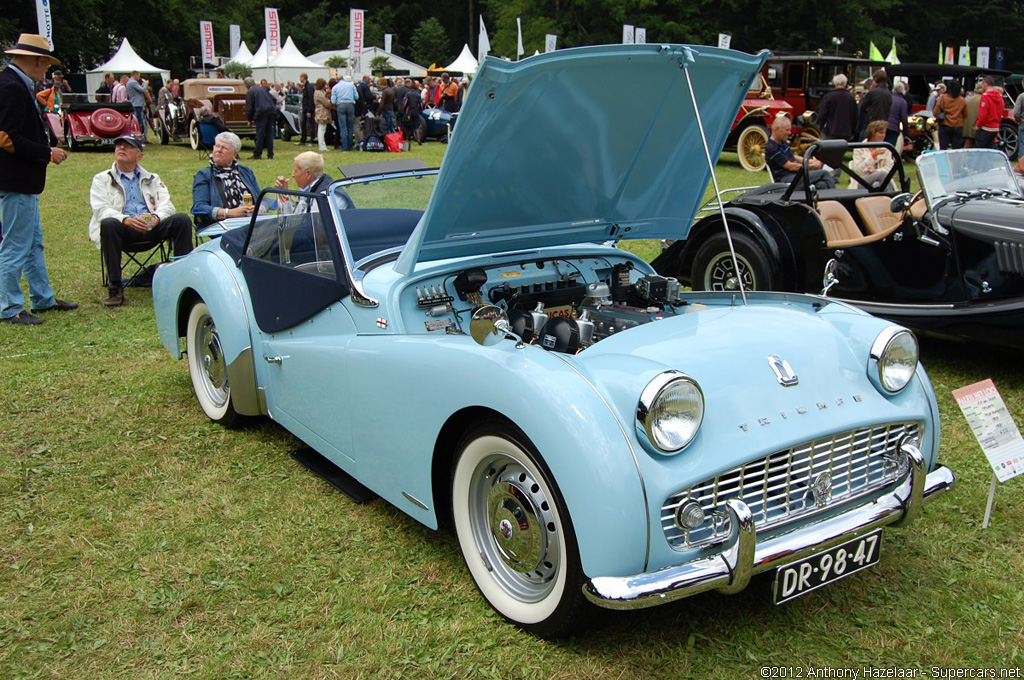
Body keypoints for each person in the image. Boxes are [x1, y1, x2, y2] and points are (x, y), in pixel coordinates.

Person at [0, 33, 76, 325]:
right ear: (36, 60)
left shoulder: (16, 83)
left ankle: (42, 298)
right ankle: (9, 307)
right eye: (45, 64)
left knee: (32, 242)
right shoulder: (10, 87)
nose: (47, 70)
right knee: (16, 244)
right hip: (16, 179)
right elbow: (6, 137)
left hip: (23, 181)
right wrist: (46, 152)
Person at [89, 136, 193, 307]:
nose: (121, 148)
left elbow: (167, 205)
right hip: (122, 230)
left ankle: (184, 281)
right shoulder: (102, 179)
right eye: (119, 145)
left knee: (181, 219)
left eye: (128, 146)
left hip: (151, 227)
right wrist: (125, 220)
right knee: (108, 222)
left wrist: (157, 218)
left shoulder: (152, 178)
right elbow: (100, 209)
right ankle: (115, 286)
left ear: (139, 156)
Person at [190, 131, 260, 228]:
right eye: (217, 146)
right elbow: (199, 207)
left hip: (251, 221)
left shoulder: (246, 171)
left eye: (224, 148)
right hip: (223, 224)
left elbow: (261, 198)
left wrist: (259, 209)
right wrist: (229, 213)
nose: (218, 150)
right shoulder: (204, 175)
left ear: (234, 154)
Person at [766, 116, 836, 189]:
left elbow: (794, 156)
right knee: (823, 173)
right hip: (786, 180)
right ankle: (838, 197)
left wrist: (810, 160)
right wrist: (812, 166)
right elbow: (791, 167)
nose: (789, 133)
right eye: (787, 130)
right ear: (777, 129)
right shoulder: (771, 147)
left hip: (795, 176)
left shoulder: (782, 142)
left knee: (822, 185)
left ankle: (829, 199)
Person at [849, 120, 895, 190]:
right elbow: (858, 170)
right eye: (881, 133)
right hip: (863, 180)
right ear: (872, 133)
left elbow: (889, 169)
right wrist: (873, 156)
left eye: (884, 133)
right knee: (875, 185)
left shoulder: (886, 148)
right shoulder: (859, 148)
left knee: (877, 184)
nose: (883, 135)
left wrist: (876, 171)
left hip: (883, 180)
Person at [816, 73, 857, 141]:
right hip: (846, 131)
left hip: (830, 130)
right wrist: (852, 131)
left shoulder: (829, 96)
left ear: (834, 83)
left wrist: (820, 126)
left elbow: (822, 114)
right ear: (845, 83)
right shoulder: (851, 98)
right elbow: (854, 116)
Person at [244, 76, 277, 160]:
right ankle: (270, 154)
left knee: (260, 134)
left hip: (261, 112)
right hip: (271, 111)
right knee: (269, 133)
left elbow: (249, 107)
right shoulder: (263, 89)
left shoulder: (250, 92)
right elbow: (273, 98)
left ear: (246, 85)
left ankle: (257, 154)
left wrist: (250, 120)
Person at [934, 80, 967, 150]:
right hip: (958, 126)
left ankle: (943, 161)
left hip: (944, 125)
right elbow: (965, 115)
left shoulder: (942, 99)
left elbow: (935, 113)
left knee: (943, 148)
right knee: (956, 149)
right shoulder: (962, 100)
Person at [975, 76, 1006, 149]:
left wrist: (978, 125)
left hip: (985, 128)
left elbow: (983, 114)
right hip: (995, 128)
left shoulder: (985, 97)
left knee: (979, 151)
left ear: (985, 84)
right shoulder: (1000, 97)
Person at [331, 75, 357, 151]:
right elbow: (356, 96)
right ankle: (350, 146)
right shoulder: (351, 85)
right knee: (350, 127)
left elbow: (333, 101)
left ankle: (344, 147)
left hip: (341, 105)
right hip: (350, 105)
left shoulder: (335, 87)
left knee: (343, 127)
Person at [885, 81, 909, 149]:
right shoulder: (903, 102)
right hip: (894, 128)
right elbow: (904, 119)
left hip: (883, 125)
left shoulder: (888, 97)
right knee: (890, 149)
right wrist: (906, 133)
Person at [126, 71, 148, 141]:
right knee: (139, 122)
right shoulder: (133, 82)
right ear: (135, 75)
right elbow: (142, 90)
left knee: (135, 121)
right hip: (137, 104)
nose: (139, 78)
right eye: (138, 76)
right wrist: (145, 84)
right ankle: (140, 138)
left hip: (134, 103)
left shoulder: (128, 82)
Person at [313, 78, 332, 152]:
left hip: (321, 111)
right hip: (322, 112)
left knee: (322, 129)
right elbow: (326, 103)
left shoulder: (319, 92)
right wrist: (329, 100)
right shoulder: (319, 93)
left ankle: (322, 145)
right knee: (321, 129)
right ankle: (321, 146)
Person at [297, 72, 315, 146]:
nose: (300, 79)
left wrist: (309, 111)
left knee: (311, 125)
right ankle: (303, 139)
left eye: (300, 77)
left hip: (308, 109)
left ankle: (311, 140)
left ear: (303, 77)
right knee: (303, 124)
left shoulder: (309, 87)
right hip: (305, 109)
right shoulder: (305, 87)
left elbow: (310, 99)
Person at [963, 82, 983, 148]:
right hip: (979, 128)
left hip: (967, 128)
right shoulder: (984, 100)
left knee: (967, 146)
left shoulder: (967, 100)